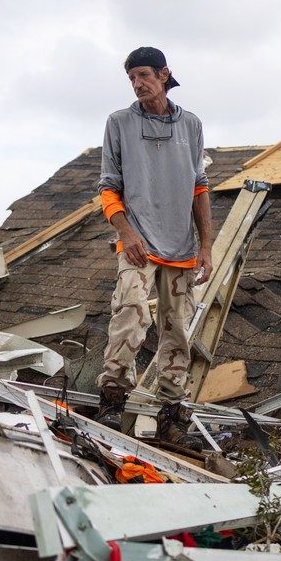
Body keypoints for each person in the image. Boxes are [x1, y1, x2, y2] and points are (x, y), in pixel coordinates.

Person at [94, 46, 212, 449]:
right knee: (128, 314)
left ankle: (172, 418)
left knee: (176, 331)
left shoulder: (191, 125)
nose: (137, 83)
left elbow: (199, 188)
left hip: (181, 249)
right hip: (136, 245)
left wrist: (207, 248)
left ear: (164, 75)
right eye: (131, 78)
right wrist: (126, 234)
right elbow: (108, 187)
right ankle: (111, 399)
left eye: (143, 75)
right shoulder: (119, 123)